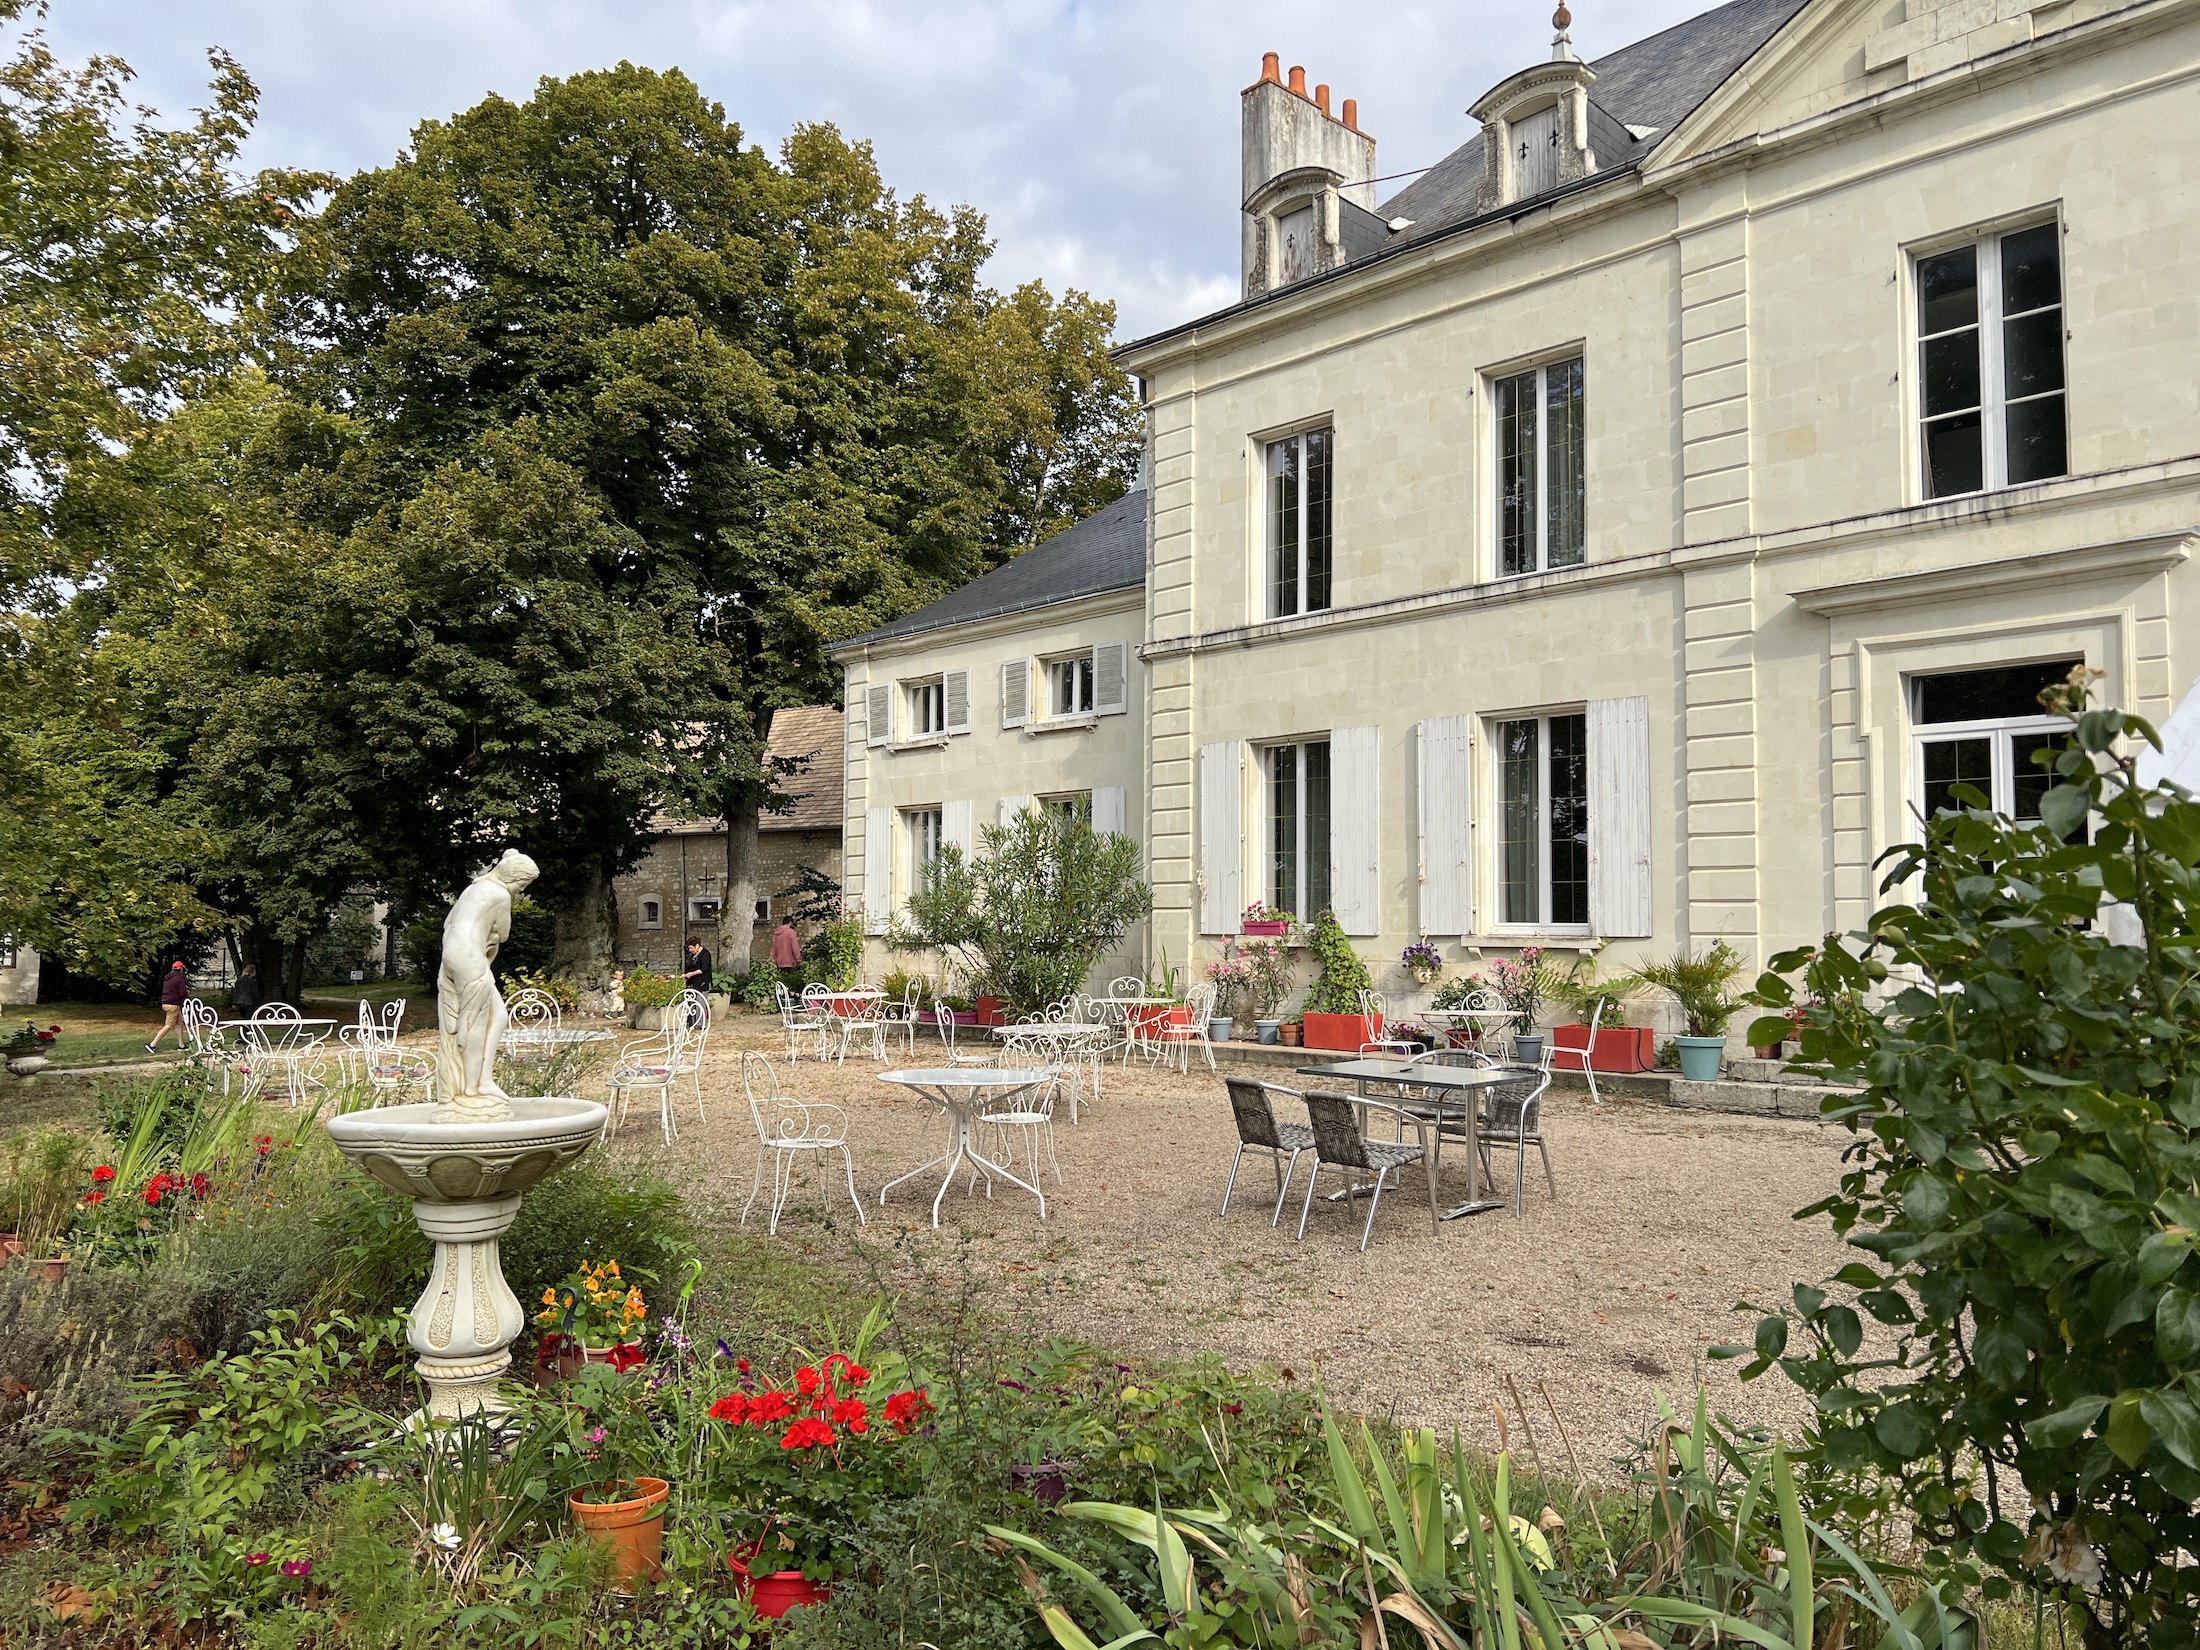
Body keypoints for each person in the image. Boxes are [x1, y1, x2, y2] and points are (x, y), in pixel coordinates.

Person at [147, 960, 189, 1052]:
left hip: (165, 1003)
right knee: (169, 1025)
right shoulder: (179, 978)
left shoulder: (167, 977)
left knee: (179, 1023)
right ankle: (152, 1044)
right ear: (181, 969)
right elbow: (183, 992)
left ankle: (181, 1045)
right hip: (173, 1005)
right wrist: (186, 999)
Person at [771, 918, 803, 990]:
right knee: (791, 984)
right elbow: (795, 947)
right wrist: (798, 959)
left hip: (779, 962)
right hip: (789, 962)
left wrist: (773, 960)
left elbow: (773, 948)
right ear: (790, 922)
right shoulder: (791, 932)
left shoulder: (776, 934)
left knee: (781, 984)